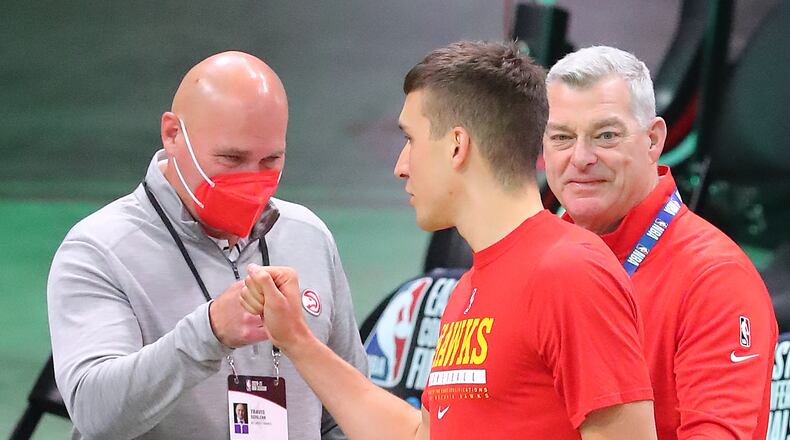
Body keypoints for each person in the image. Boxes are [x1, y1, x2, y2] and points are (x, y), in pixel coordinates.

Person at [241, 40, 658, 439]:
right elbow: (420, 434)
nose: (401, 166)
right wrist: (296, 340)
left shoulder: (569, 272)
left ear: (457, 146)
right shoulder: (468, 289)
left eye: (411, 139)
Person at [47, 51, 367, 440]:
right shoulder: (100, 250)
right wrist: (208, 332)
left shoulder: (308, 237)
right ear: (172, 134)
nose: (252, 180)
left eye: (270, 160)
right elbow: (95, 413)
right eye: (231, 158)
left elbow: (351, 411)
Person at [542, 45, 778, 439]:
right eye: (562, 137)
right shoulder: (536, 263)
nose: (580, 158)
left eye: (606, 135)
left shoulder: (714, 278)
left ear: (653, 140)